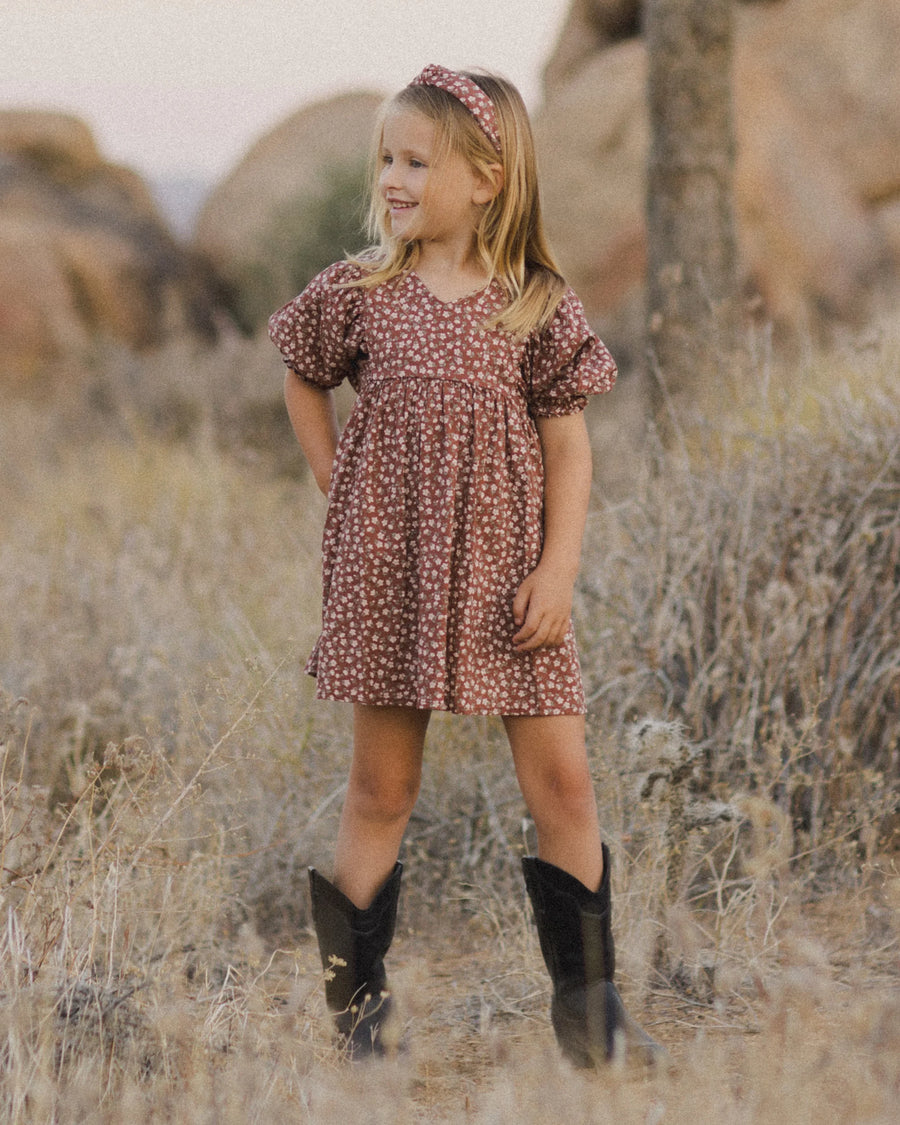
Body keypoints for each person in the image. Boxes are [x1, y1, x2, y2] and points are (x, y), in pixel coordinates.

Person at [269, 63, 662, 1068]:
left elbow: (570, 447)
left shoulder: (536, 303)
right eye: (386, 160)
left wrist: (560, 568)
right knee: (380, 791)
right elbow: (301, 375)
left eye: (417, 161)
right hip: (389, 577)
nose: (393, 179)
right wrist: (338, 486)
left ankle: (591, 1016)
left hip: (511, 581)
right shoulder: (361, 292)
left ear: (487, 178)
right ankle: (354, 1016)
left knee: (565, 786)